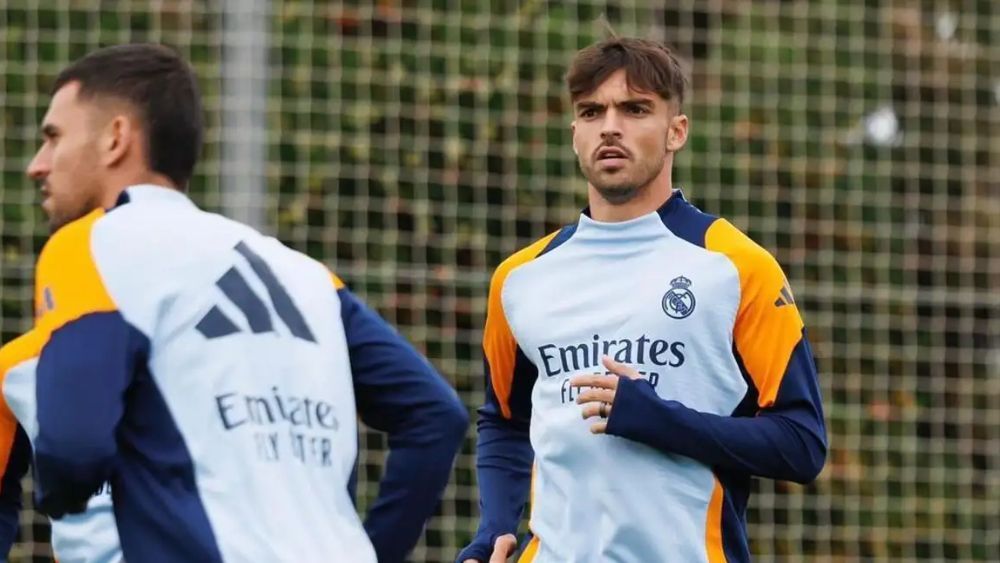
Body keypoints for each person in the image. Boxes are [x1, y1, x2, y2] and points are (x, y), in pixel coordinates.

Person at [21, 43, 468, 563]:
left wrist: (60, 495)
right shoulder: (300, 271)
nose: (38, 165)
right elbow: (435, 414)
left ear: (116, 138)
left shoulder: (88, 246)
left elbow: (73, 448)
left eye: (53, 138)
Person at [458, 37, 827, 563]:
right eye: (592, 111)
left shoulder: (737, 266)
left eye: (635, 109)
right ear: (575, 134)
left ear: (676, 130)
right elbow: (504, 419)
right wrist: (492, 530)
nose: (610, 126)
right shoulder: (519, 278)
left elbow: (802, 444)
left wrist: (660, 419)